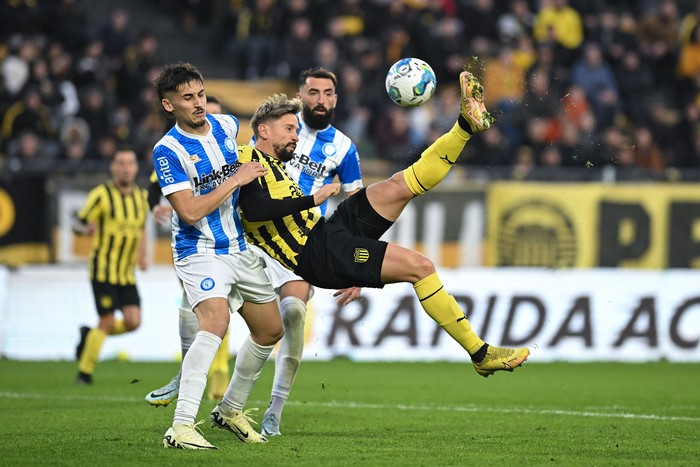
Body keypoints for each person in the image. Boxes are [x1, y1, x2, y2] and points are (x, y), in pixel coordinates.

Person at [237, 71, 530, 386]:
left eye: (297, 128)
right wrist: (312, 199)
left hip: (326, 231)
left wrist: (354, 266)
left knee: (397, 185)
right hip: (314, 253)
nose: (295, 135)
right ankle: (480, 353)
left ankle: (465, 127)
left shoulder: (321, 150)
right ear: (264, 130)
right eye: (289, 128)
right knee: (420, 267)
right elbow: (254, 212)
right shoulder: (247, 160)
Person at [152, 62, 285, 450]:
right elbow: (189, 211)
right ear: (168, 105)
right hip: (199, 250)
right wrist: (236, 178)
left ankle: (230, 410)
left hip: (239, 246)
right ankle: (180, 426)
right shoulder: (168, 150)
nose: (198, 104)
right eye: (187, 98)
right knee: (216, 321)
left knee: (269, 329)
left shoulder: (227, 126)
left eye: (200, 94)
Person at [144, 95, 233, 406]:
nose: (209, 119)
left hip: (234, 241)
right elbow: (157, 186)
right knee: (202, 310)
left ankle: (213, 375)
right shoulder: (174, 151)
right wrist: (158, 206)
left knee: (245, 316)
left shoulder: (229, 140)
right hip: (195, 245)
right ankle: (193, 376)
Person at [74, 147, 149, 385]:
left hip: (126, 273)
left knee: (133, 322)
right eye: (121, 163)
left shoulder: (141, 197)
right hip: (103, 271)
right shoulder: (101, 194)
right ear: (113, 168)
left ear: (136, 168)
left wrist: (143, 255)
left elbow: (141, 228)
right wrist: (84, 230)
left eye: (130, 163)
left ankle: (90, 336)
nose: (126, 167)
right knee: (106, 321)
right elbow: (78, 222)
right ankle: (84, 372)